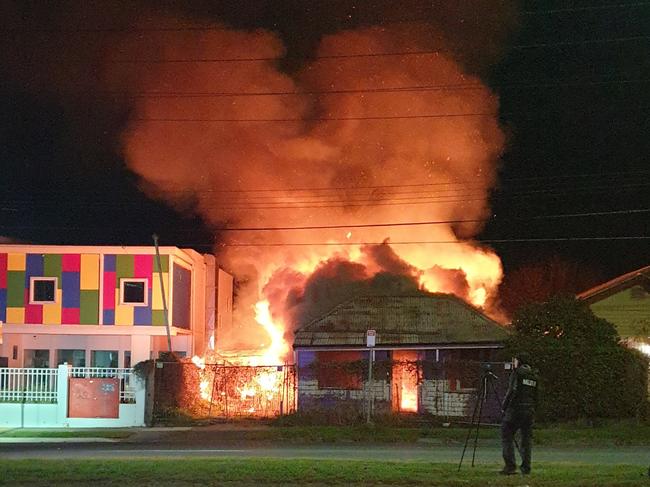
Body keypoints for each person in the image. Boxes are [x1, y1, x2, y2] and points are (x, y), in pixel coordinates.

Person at [500, 351, 538, 475]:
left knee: (507, 435)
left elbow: (512, 391)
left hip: (516, 409)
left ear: (520, 361)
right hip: (530, 410)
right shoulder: (534, 376)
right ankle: (526, 467)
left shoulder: (517, 374)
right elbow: (537, 395)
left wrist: (504, 407)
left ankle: (510, 466)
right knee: (526, 440)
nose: (514, 363)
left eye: (515, 360)